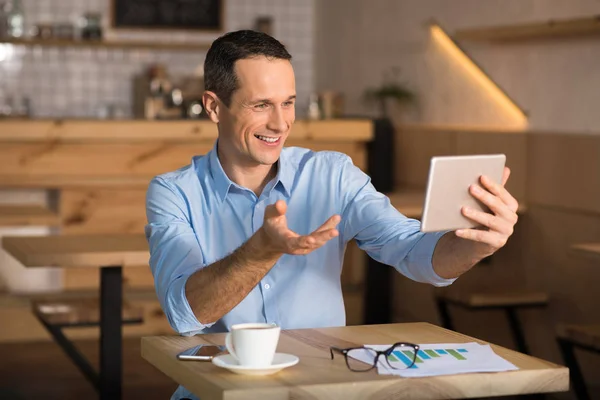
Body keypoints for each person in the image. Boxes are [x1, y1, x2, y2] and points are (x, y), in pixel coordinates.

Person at [145, 30, 519, 399]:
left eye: (288, 103)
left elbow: (412, 251)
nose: (280, 123)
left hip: (321, 390)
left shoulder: (333, 174)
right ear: (213, 106)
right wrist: (260, 251)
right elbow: (186, 313)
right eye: (261, 105)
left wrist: (474, 243)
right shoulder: (174, 192)